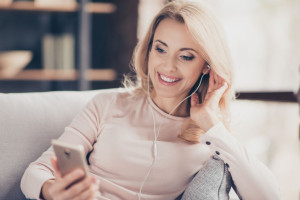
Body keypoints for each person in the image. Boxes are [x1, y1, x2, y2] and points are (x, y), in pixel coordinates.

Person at [21, 1, 281, 199]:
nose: (168, 66)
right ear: (148, 50)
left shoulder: (212, 135)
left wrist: (212, 123)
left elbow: (270, 195)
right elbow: (36, 171)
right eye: (161, 49)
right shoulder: (108, 104)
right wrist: (49, 190)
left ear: (206, 65)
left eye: (186, 56)